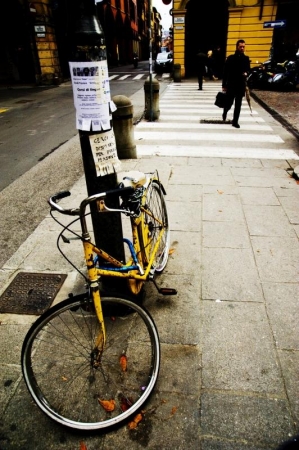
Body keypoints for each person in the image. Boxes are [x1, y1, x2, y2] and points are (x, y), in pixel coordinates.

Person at [222, 39, 250, 128]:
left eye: (243, 47)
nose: (242, 48)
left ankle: (235, 121)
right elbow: (225, 72)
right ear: (237, 47)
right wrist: (224, 85)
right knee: (229, 103)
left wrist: (246, 73)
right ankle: (225, 111)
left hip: (241, 84)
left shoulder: (246, 59)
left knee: (238, 104)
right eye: (240, 46)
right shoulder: (230, 58)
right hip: (231, 84)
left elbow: (248, 70)